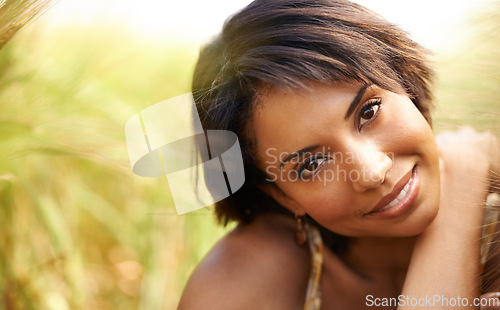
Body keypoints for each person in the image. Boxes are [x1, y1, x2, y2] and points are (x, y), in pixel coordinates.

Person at [178, 0, 500, 309]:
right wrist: (461, 181)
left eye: (368, 112)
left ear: (404, 83)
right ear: (281, 194)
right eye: (312, 164)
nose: (372, 172)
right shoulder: (240, 286)